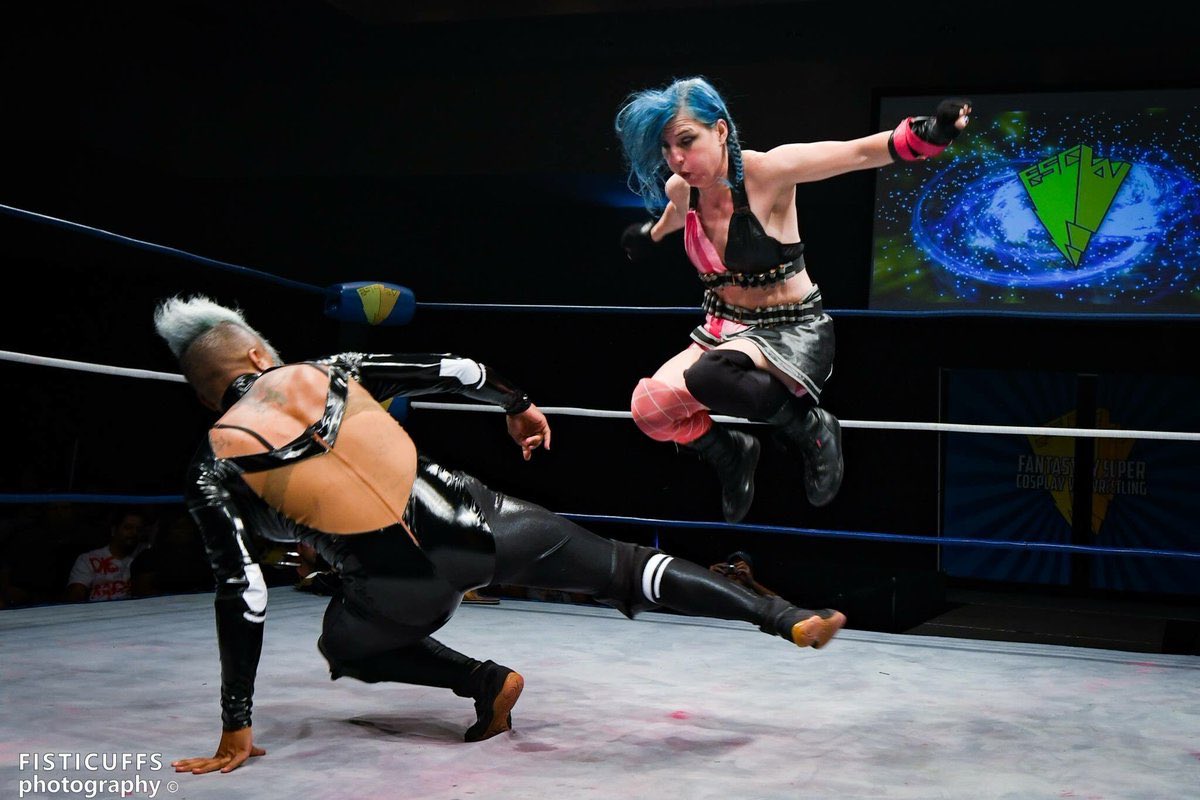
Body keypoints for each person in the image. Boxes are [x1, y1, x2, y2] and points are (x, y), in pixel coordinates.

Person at [153, 295, 846, 775]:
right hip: (481, 524)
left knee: (344, 645)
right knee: (626, 568)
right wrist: (517, 405)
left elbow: (244, 594)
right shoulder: (331, 370)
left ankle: (483, 682)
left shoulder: (211, 465)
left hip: (396, 589)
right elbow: (460, 370)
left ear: (207, 393)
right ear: (257, 354)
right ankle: (785, 617)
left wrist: (236, 724)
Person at [616, 77, 971, 522]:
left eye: (686, 141)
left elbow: (857, 153)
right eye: (667, 148)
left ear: (720, 131)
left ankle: (812, 429)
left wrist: (929, 133)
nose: (677, 159)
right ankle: (731, 453)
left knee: (710, 374)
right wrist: (649, 236)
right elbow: (673, 217)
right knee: (649, 409)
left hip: (789, 331)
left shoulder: (769, 172)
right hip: (722, 331)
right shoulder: (681, 188)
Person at [65, 507, 148, 602]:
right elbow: (76, 595)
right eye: (128, 527)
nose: (134, 533)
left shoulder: (145, 556)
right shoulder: (87, 559)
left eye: (139, 529)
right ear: (114, 530)